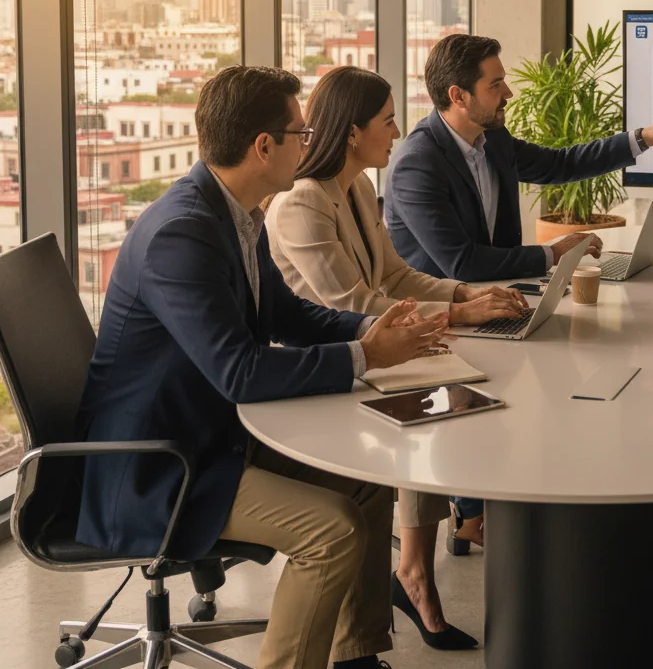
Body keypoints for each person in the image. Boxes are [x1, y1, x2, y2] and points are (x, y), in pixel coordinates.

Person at [74, 65, 450, 669]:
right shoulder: (182, 234)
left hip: (213, 433)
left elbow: (287, 316)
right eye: (301, 132)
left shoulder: (236, 214)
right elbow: (241, 373)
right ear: (264, 147)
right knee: (332, 531)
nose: (310, 141)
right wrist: (365, 356)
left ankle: (355, 655)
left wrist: (371, 331)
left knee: (369, 475)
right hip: (158, 466)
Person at [267, 65, 528, 650]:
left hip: (374, 352)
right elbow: (355, 305)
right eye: (387, 122)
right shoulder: (300, 203)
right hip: (332, 366)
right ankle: (419, 570)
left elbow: (395, 276)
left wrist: (466, 294)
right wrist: (459, 315)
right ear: (353, 132)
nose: (398, 132)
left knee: (461, 394)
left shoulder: (357, 187)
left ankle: (423, 563)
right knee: (437, 406)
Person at [386, 33, 653, 282]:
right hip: (443, 320)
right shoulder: (417, 166)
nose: (508, 93)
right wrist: (554, 252)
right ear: (458, 96)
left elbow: (560, 164)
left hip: (498, 294)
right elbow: (463, 263)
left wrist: (644, 138)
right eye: (495, 85)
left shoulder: (491, 138)